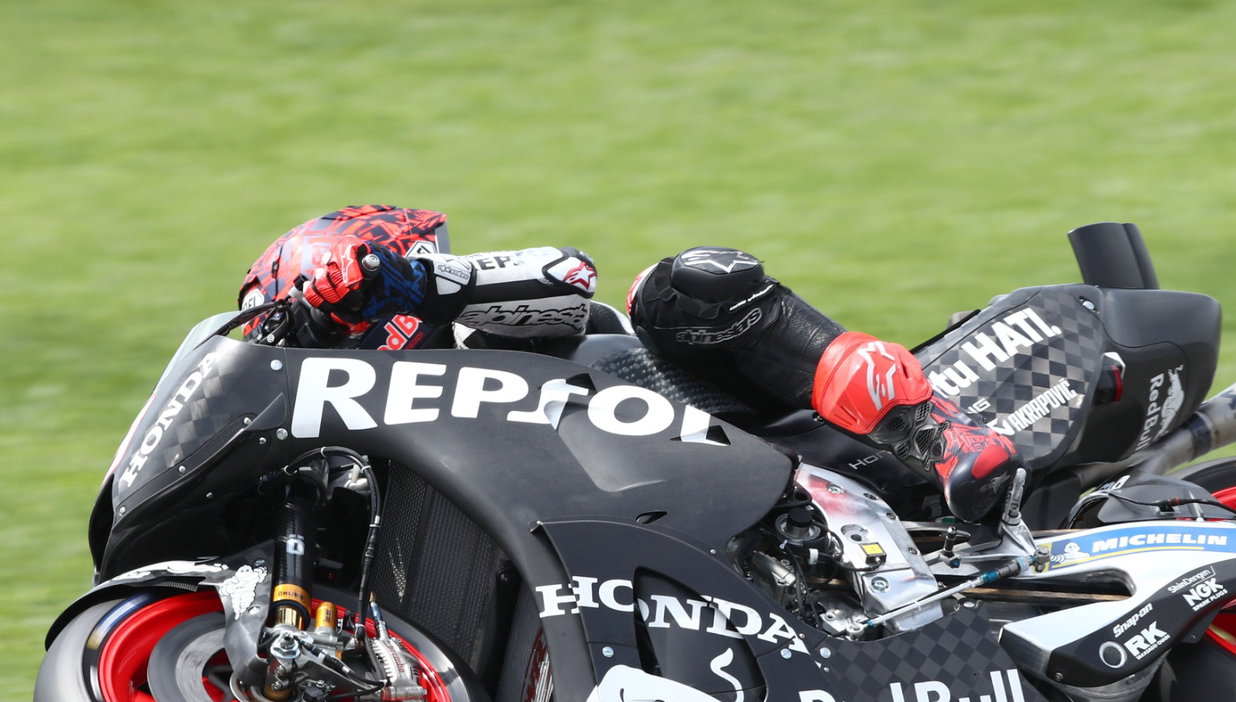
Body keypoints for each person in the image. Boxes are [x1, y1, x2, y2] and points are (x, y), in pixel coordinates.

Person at [244, 206, 1022, 521]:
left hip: (755, 429)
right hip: (682, 533)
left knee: (680, 285)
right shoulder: (386, 472)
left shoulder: (474, 331)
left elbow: (567, 273)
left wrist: (408, 285)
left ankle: (940, 435)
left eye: (311, 317)